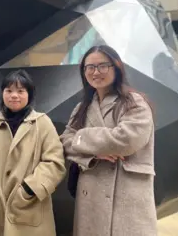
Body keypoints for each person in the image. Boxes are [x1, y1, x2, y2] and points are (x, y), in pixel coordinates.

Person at [60, 45, 157, 236]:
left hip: (126, 198)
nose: (96, 72)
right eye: (90, 67)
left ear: (117, 67)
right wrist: (94, 154)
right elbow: (64, 141)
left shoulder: (134, 102)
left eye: (102, 66)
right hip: (91, 198)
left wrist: (83, 137)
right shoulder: (82, 107)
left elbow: (126, 140)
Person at [0, 70, 66, 236]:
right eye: (9, 91)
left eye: (20, 91)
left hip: (32, 208)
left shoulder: (42, 123)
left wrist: (28, 189)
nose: (14, 96)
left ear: (29, 94)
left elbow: (54, 162)